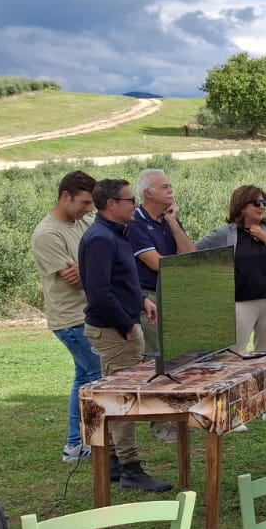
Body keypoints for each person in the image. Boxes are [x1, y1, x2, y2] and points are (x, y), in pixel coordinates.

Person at [77, 178, 173, 493]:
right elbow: (100, 293)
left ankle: (114, 464)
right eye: (130, 200)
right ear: (112, 205)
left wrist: (141, 301)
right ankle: (130, 468)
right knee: (123, 398)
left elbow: (120, 281)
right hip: (114, 332)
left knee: (118, 397)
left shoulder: (117, 234)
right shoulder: (101, 239)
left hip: (124, 323)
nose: (134, 205)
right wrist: (128, 325)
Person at [30, 170, 101, 462]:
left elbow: (94, 267)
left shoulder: (81, 223)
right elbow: (75, 279)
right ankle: (94, 442)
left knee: (84, 378)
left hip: (86, 314)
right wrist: (95, 270)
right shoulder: (48, 234)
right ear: (65, 196)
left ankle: (76, 444)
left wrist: (90, 269)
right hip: (71, 320)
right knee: (98, 378)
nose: (89, 209)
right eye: (84, 203)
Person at [196, 185, 266, 354]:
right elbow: (194, 250)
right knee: (231, 356)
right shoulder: (225, 234)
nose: (262, 207)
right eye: (256, 203)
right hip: (240, 304)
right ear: (242, 207)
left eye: (265, 202)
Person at [129, 168, 197, 355]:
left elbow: (191, 255)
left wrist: (173, 223)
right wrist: (184, 267)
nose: (171, 190)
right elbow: (157, 264)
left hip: (172, 296)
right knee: (157, 357)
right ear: (148, 193)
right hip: (150, 299)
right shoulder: (135, 223)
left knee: (180, 355)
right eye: (165, 187)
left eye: (171, 186)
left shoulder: (168, 218)